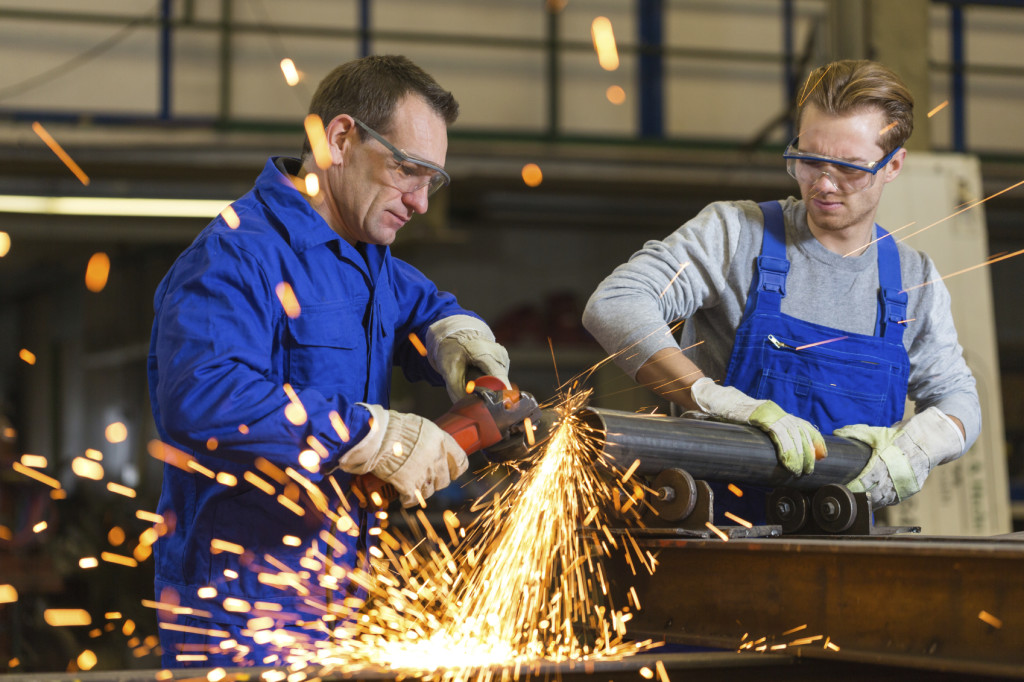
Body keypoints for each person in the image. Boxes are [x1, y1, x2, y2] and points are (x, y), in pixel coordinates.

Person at [147, 55, 511, 666]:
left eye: (433, 181)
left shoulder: (366, 256)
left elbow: (422, 307)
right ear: (340, 139)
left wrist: (458, 337)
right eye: (409, 171)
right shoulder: (236, 257)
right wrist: (370, 434)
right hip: (242, 611)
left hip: (343, 598)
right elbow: (202, 399)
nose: (421, 202)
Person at [583, 59, 980, 524]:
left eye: (849, 169)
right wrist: (713, 398)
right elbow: (615, 303)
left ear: (893, 165)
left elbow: (958, 398)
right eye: (809, 161)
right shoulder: (736, 236)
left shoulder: (912, 278)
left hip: (846, 535)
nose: (824, 185)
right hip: (717, 529)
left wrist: (921, 446)